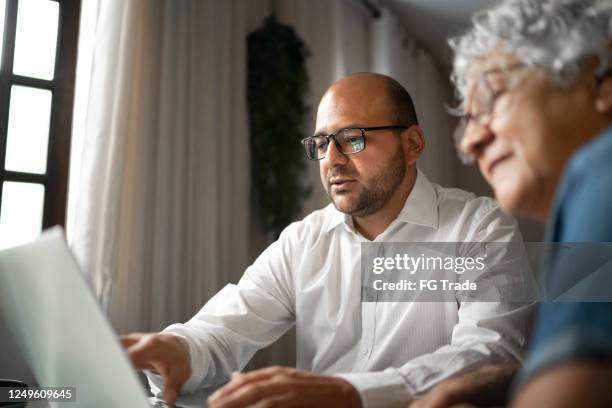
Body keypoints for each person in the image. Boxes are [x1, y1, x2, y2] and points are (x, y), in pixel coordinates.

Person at [121, 73, 534, 407]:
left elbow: (491, 355)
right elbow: (224, 331)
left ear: (412, 145)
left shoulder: (479, 229)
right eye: (321, 143)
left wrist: (352, 393)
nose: (332, 160)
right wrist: (179, 349)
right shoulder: (304, 241)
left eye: (352, 138)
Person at [410, 1, 612, 407]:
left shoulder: (600, 168)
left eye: (492, 97)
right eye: (466, 122)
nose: (470, 142)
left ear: (602, 86)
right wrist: (520, 381)